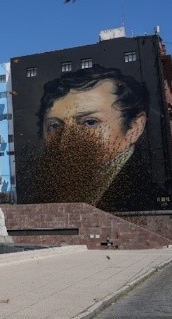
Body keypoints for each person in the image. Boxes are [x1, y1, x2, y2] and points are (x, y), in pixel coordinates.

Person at [24, 65, 154, 211]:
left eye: (90, 122)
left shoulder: (147, 197)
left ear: (135, 127)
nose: (65, 142)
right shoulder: (48, 190)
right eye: (55, 126)